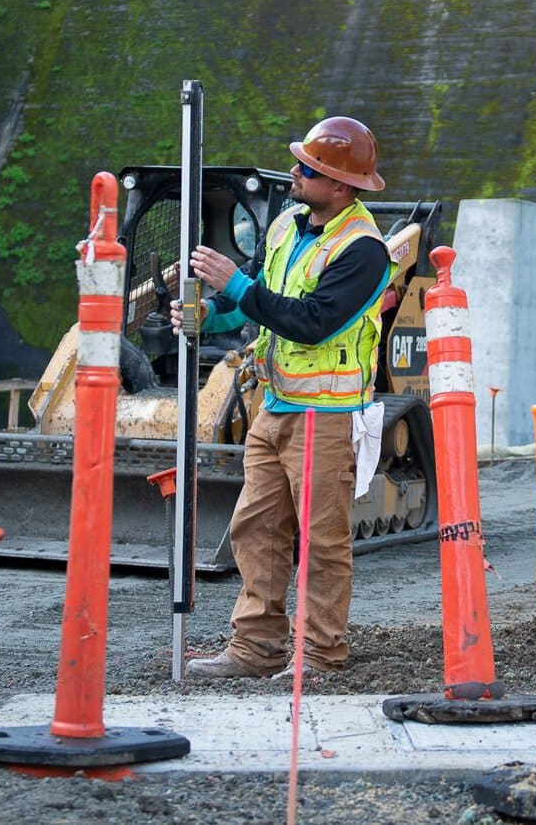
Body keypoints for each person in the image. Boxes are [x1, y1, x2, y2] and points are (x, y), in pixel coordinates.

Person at [175, 115, 394, 680]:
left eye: (309, 168)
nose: (294, 172)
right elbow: (258, 290)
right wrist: (210, 310)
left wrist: (236, 288)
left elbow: (312, 322)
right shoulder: (286, 227)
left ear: (342, 186)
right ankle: (257, 648)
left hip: (326, 415)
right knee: (257, 528)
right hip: (274, 407)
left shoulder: (364, 250)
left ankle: (319, 657)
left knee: (321, 542)